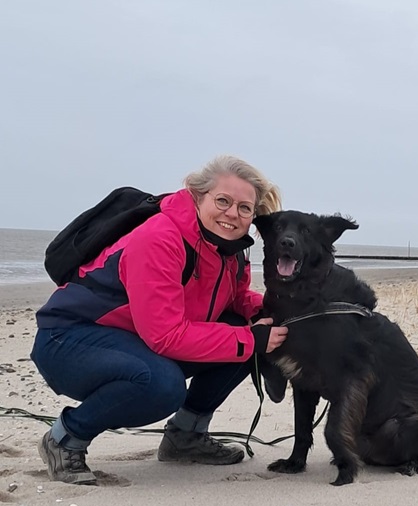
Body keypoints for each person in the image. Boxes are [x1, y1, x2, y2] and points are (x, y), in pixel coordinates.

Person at [31, 155, 288, 485]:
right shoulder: (159, 237)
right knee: (163, 385)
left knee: (245, 331)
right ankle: (65, 438)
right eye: (222, 201)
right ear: (197, 195)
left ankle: (186, 437)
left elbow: (237, 300)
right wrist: (253, 339)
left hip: (134, 339)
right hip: (68, 340)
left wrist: (273, 312)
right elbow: (165, 336)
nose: (232, 214)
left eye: (243, 208)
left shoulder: (231, 248)